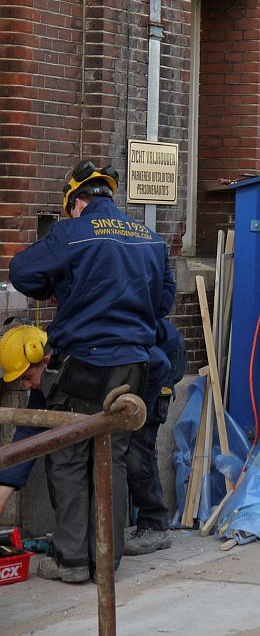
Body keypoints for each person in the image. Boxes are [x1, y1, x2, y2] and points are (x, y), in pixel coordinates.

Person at [9, 159, 175, 583]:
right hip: (132, 366)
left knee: (67, 457)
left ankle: (72, 563)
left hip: (82, 361)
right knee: (113, 457)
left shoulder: (72, 231)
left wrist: (59, 285)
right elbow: (163, 305)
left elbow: (22, 272)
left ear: (77, 203)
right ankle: (107, 561)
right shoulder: (151, 239)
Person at [124, 318, 187, 555]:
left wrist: (146, 409)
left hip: (159, 369)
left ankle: (155, 524)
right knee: (135, 447)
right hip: (146, 363)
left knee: (138, 448)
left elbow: (161, 362)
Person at [0, 323, 62, 518]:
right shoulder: (43, 385)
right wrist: (2, 494)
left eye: (27, 377)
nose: (26, 386)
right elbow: (29, 431)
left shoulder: (75, 370)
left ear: (45, 359)